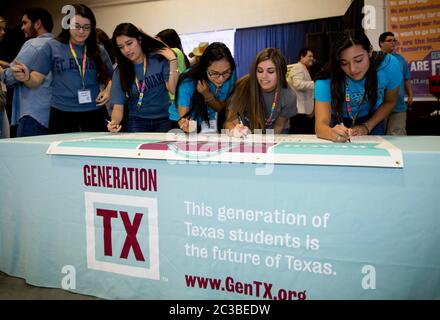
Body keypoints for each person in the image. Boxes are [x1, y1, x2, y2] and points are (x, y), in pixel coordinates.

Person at [12, 4, 113, 134]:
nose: (81, 31)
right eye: (76, 26)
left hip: (94, 110)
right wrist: (27, 78)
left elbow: (112, 77)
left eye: (86, 27)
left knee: (95, 151)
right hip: (62, 113)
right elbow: (36, 79)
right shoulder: (52, 46)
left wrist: (108, 90)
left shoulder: (98, 49)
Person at [314, 29, 401, 143]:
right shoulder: (326, 78)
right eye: (344, 63)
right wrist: (330, 133)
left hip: (373, 117)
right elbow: (320, 125)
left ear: (369, 51)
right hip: (338, 120)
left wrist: (367, 126)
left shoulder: (388, 65)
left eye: (359, 60)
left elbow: (390, 101)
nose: (352, 69)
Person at [107, 23, 178, 133]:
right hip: (137, 121)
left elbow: (173, 89)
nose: (126, 50)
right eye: (121, 47)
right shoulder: (120, 71)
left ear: (139, 40)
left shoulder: (158, 59)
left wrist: (173, 61)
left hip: (163, 119)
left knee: (162, 150)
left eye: (129, 43)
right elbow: (118, 107)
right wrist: (114, 123)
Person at [1, 8, 53, 137]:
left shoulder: (33, 45)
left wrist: (2, 70)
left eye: (25, 23)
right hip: (53, 114)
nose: (22, 28)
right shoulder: (58, 44)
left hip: (33, 115)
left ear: (38, 24)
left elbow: (9, 77)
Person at [224, 48, 297, 137]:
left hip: (275, 133)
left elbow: (279, 126)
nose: (264, 76)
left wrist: (265, 145)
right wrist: (234, 131)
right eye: (259, 70)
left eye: (270, 71)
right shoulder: (241, 87)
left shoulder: (288, 95)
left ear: (281, 73)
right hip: (247, 133)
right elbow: (229, 122)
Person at [170, 42, 237, 133]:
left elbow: (220, 108)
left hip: (207, 119)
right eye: (214, 73)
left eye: (225, 72)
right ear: (204, 69)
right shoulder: (188, 81)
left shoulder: (231, 73)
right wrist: (186, 125)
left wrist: (207, 95)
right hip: (183, 122)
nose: (221, 79)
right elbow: (184, 120)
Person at [379, 31, 413, 135]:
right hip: (379, 105)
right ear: (381, 43)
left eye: (394, 41)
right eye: (389, 41)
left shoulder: (400, 59)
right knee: (378, 136)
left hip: (398, 105)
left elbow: (406, 79)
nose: (393, 43)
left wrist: (410, 95)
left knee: (398, 136)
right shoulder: (375, 59)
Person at [287, 48, 315, 134]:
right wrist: (315, 84)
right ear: (302, 57)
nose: (312, 58)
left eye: (312, 56)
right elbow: (297, 84)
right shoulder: (298, 67)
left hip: (302, 110)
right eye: (309, 56)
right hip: (298, 110)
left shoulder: (303, 68)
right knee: (298, 135)